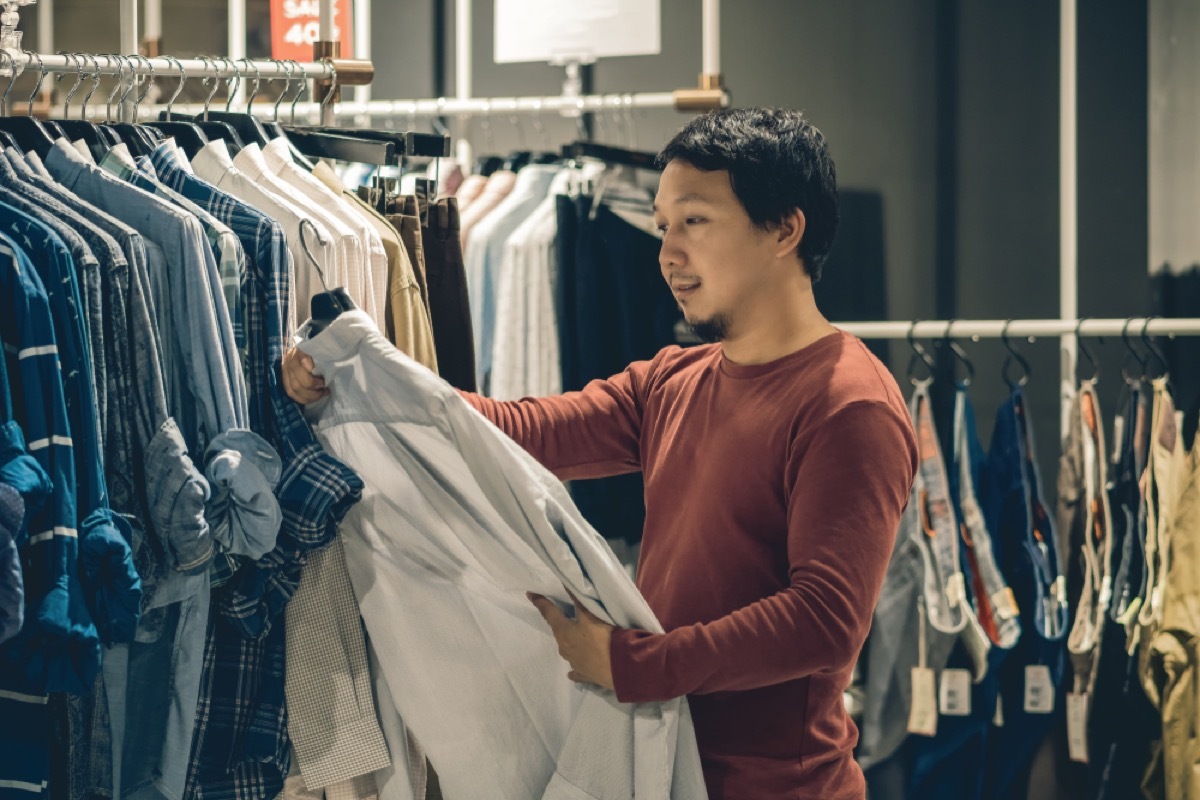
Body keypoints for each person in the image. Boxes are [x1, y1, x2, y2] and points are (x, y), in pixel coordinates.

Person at [282, 107, 918, 800]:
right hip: (665, 765)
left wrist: (635, 664)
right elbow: (519, 429)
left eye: (695, 222)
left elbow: (822, 622)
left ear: (785, 230)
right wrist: (353, 381)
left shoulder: (848, 403)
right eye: (663, 224)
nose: (668, 253)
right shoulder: (675, 380)